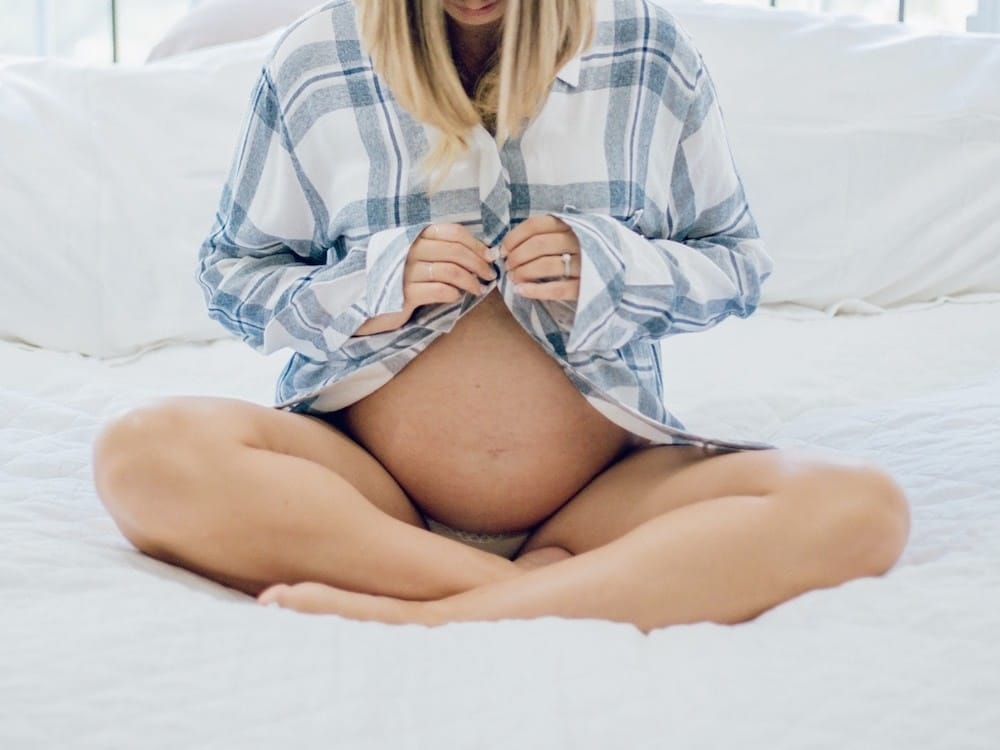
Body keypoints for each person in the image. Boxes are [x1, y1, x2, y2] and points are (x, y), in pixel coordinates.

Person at [92, 0, 910, 633]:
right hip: (362, 494)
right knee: (140, 451)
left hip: (602, 498)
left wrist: (609, 264)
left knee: (861, 506)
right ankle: (536, 598)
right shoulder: (316, 57)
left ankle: (436, 616)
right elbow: (234, 277)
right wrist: (378, 285)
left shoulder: (649, 51)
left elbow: (734, 263)